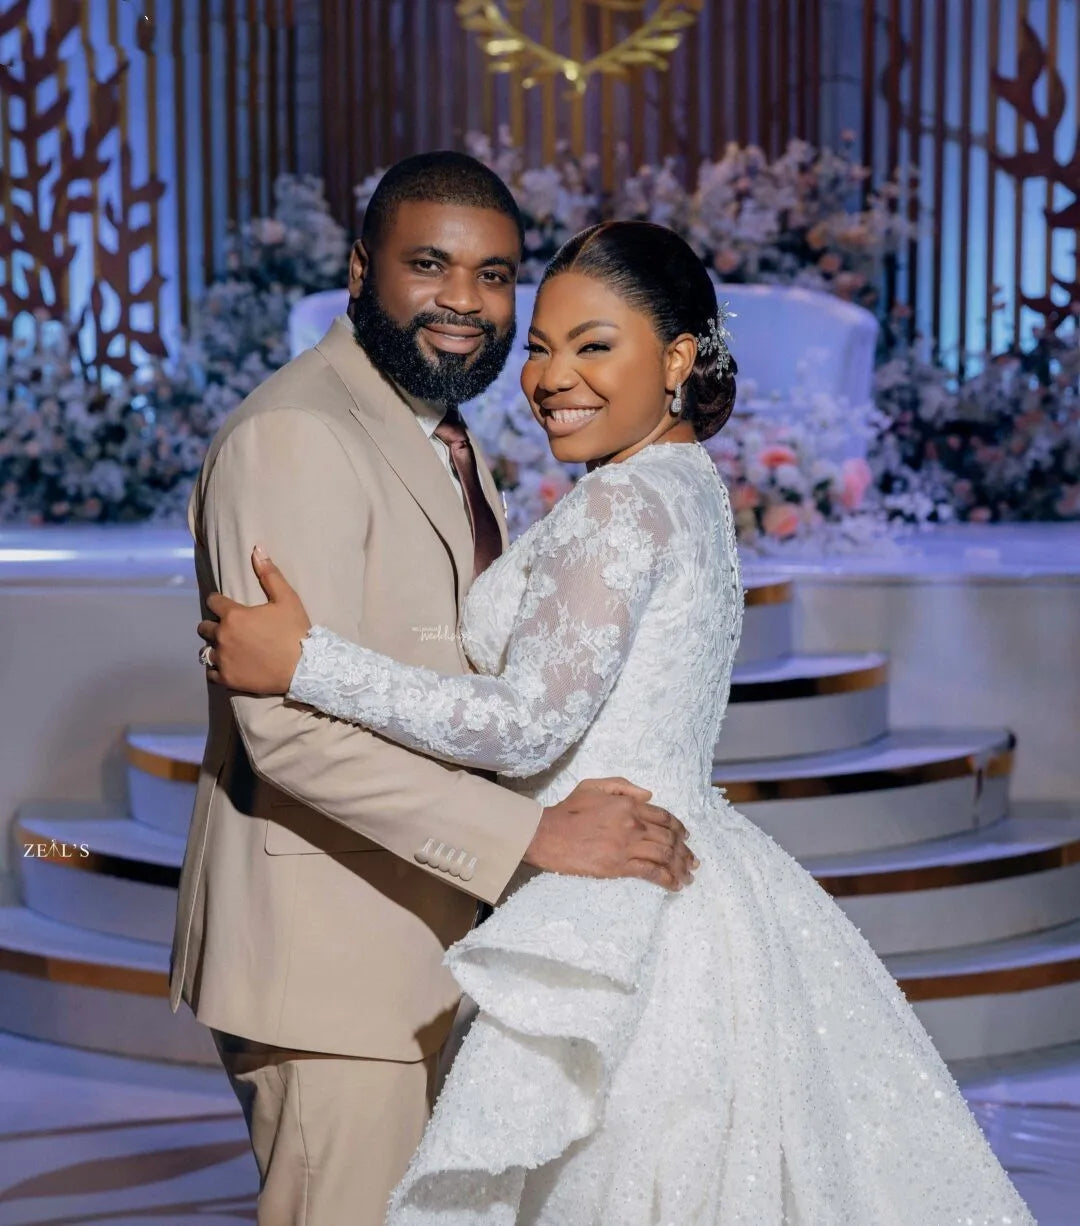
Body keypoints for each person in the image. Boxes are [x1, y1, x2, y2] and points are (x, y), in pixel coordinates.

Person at [198, 221, 1035, 1224]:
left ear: (677, 357)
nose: (554, 376)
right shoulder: (686, 486)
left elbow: (523, 724)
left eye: (594, 345)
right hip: (686, 885)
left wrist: (310, 662)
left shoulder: (621, 506)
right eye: (544, 346)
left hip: (621, 909)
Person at [170, 156, 697, 1226]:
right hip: (331, 966)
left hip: (426, 941)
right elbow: (294, 738)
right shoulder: (299, 433)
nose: (466, 300)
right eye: (430, 264)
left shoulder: (440, 433)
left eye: (495, 275)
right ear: (361, 270)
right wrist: (528, 836)